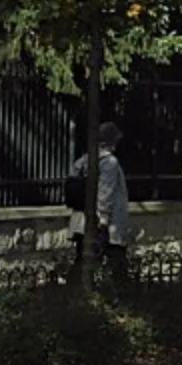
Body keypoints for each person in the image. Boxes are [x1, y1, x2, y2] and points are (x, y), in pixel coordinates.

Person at [70, 121, 132, 285]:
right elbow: (106, 191)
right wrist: (103, 218)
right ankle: (120, 297)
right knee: (117, 263)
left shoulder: (83, 161)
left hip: (81, 222)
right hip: (106, 225)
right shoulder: (109, 163)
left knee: (84, 261)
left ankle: (76, 295)